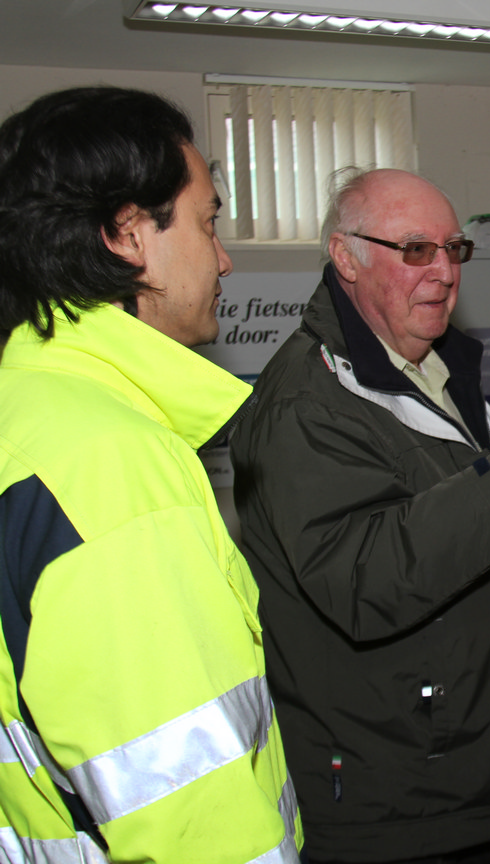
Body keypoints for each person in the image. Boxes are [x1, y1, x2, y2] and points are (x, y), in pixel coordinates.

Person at [229, 168, 490, 864]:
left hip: (473, 771)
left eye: (453, 249)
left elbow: (438, 514)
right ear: (346, 257)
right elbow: (363, 578)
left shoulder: (435, 369)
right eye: (415, 250)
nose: (443, 271)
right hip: (397, 796)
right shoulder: (307, 403)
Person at [0, 87, 302, 862]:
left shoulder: (25, 414)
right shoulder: (111, 464)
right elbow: (190, 815)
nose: (224, 259)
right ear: (127, 234)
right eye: (207, 223)